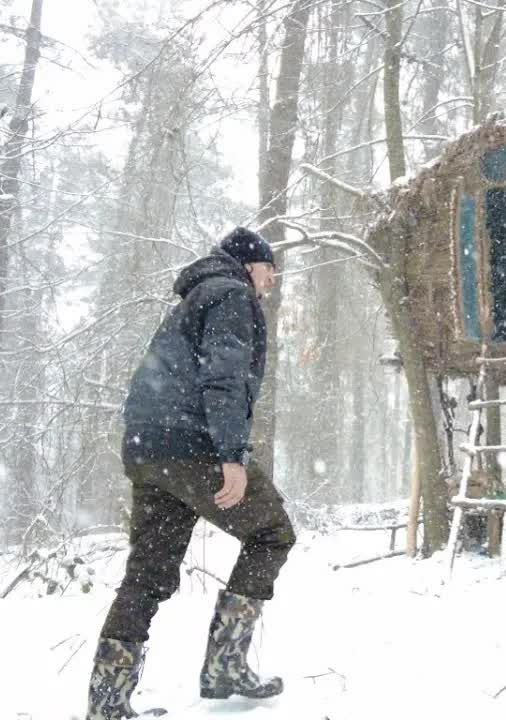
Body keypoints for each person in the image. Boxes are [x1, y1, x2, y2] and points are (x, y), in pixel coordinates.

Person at [86, 227, 295, 719]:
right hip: (192, 445)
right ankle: (225, 666)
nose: (271, 282)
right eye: (269, 271)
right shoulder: (232, 295)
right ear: (250, 265)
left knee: (148, 572)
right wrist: (230, 455)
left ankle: (107, 700)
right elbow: (223, 377)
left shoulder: (197, 296)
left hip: (147, 447)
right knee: (272, 532)